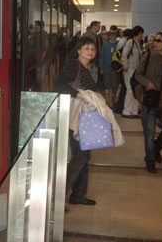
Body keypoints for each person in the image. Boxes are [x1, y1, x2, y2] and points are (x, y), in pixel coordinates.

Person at [54, 37, 100, 206]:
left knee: (85, 155)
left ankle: (78, 195)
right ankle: (57, 200)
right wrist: (78, 95)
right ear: (79, 50)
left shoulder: (90, 68)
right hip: (75, 116)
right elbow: (58, 85)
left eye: (93, 49)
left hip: (86, 115)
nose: (90, 52)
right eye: (87, 48)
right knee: (79, 157)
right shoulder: (74, 65)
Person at [135, 32, 162, 173]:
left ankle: (155, 150)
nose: (155, 42)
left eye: (159, 41)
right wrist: (148, 83)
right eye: (154, 40)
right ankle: (150, 160)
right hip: (150, 101)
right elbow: (138, 74)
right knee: (149, 135)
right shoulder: (147, 56)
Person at [121, 26, 144, 117]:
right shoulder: (130, 42)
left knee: (135, 90)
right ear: (139, 33)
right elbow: (124, 54)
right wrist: (125, 65)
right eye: (141, 33)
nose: (142, 35)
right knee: (130, 90)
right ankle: (126, 111)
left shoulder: (137, 43)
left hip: (135, 70)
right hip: (129, 69)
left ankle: (134, 111)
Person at [100, 30, 120, 108]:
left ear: (115, 36)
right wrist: (102, 67)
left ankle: (114, 98)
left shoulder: (118, 45)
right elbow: (102, 57)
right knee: (108, 85)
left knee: (115, 85)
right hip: (107, 67)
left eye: (113, 35)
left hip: (116, 68)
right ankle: (110, 101)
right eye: (110, 35)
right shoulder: (105, 45)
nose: (112, 37)